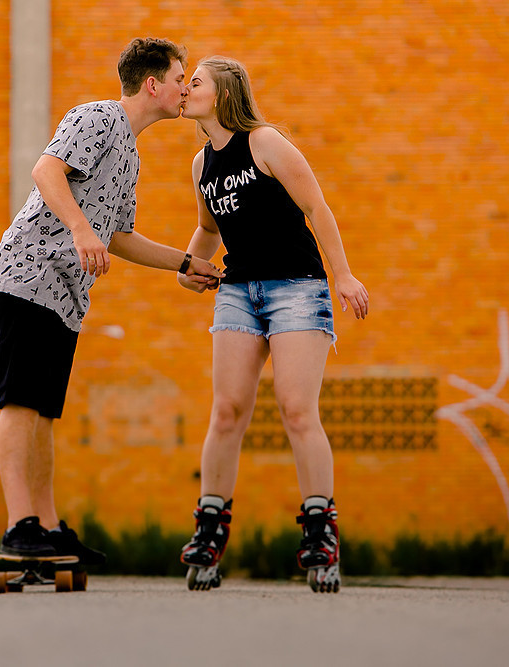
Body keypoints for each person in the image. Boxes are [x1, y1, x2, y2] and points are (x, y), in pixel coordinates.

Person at [0, 38, 223, 565]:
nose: (186, 90)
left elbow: (118, 236)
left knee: (44, 412)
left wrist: (186, 264)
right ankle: (17, 528)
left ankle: (45, 530)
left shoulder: (131, 152)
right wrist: (79, 230)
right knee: (20, 402)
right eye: (181, 79)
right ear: (153, 84)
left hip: (64, 298)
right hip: (27, 275)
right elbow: (46, 172)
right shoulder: (94, 116)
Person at [175, 56, 369, 593]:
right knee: (228, 409)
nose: (185, 89)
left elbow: (317, 207)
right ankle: (210, 532)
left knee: (296, 408)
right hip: (238, 290)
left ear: (224, 93)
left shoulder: (265, 143)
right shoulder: (199, 165)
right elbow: (208, 228)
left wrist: (345, 275)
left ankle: (320, 534)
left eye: (195, 83)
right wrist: (188, 265)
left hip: (297, 287)